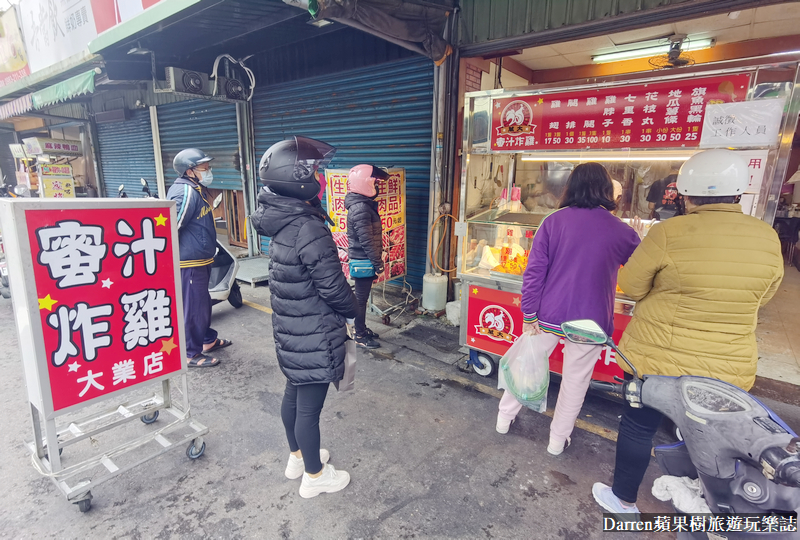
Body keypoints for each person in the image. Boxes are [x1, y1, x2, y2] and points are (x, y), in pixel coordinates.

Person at [592, 149, 784, 515]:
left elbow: (631, 285)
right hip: (727, 365)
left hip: (657, 360)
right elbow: (766, 294)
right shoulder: (767, 236)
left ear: (685, 194)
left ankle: (623, 500)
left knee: (638, 426)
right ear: (738, 194)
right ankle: (713, 505)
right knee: (713, 437)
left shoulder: (668, 232)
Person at [497, 162, 641, 456]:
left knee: (526, 366)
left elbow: (534, 272)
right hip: (592, 321)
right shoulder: (621, 231)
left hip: (548, 314)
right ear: (605, 190)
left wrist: (528, 315)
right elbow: (638, 273)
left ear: (570, 187)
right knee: (576, 381)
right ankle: (557, 440)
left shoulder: (553, 221)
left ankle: (503, 418)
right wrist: (639, 238)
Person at [251, 135, 358, 499]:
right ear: (298, 177)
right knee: (309, 407)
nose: (322, 176)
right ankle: (315, 476)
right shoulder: (308, 225)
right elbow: (331, 286)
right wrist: (354, 311)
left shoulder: (283, 217)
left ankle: (297, 457)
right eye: (316, 170)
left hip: (292, 324)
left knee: (295, 393)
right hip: (312, 327)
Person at [167, 148, 232, 368]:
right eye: (204, 167)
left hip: (200, 259)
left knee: (202, 304)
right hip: (189, 262)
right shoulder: (184, 192)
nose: (208, 170)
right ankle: (189, 353)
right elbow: (171, 226)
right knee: (193, 307)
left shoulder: (196, 189)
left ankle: (206, 340)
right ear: (190, 170)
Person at [346, 164, 390, 349]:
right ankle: (359, 335)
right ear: (364, 184)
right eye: (374, 182)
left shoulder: (362, 205)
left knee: (362, 298)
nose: (377, 186)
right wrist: (378, 263)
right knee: (361, 299)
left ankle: (361, 327)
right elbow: (367, 241)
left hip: (364, 258)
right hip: (363, 259)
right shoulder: (361, 209)